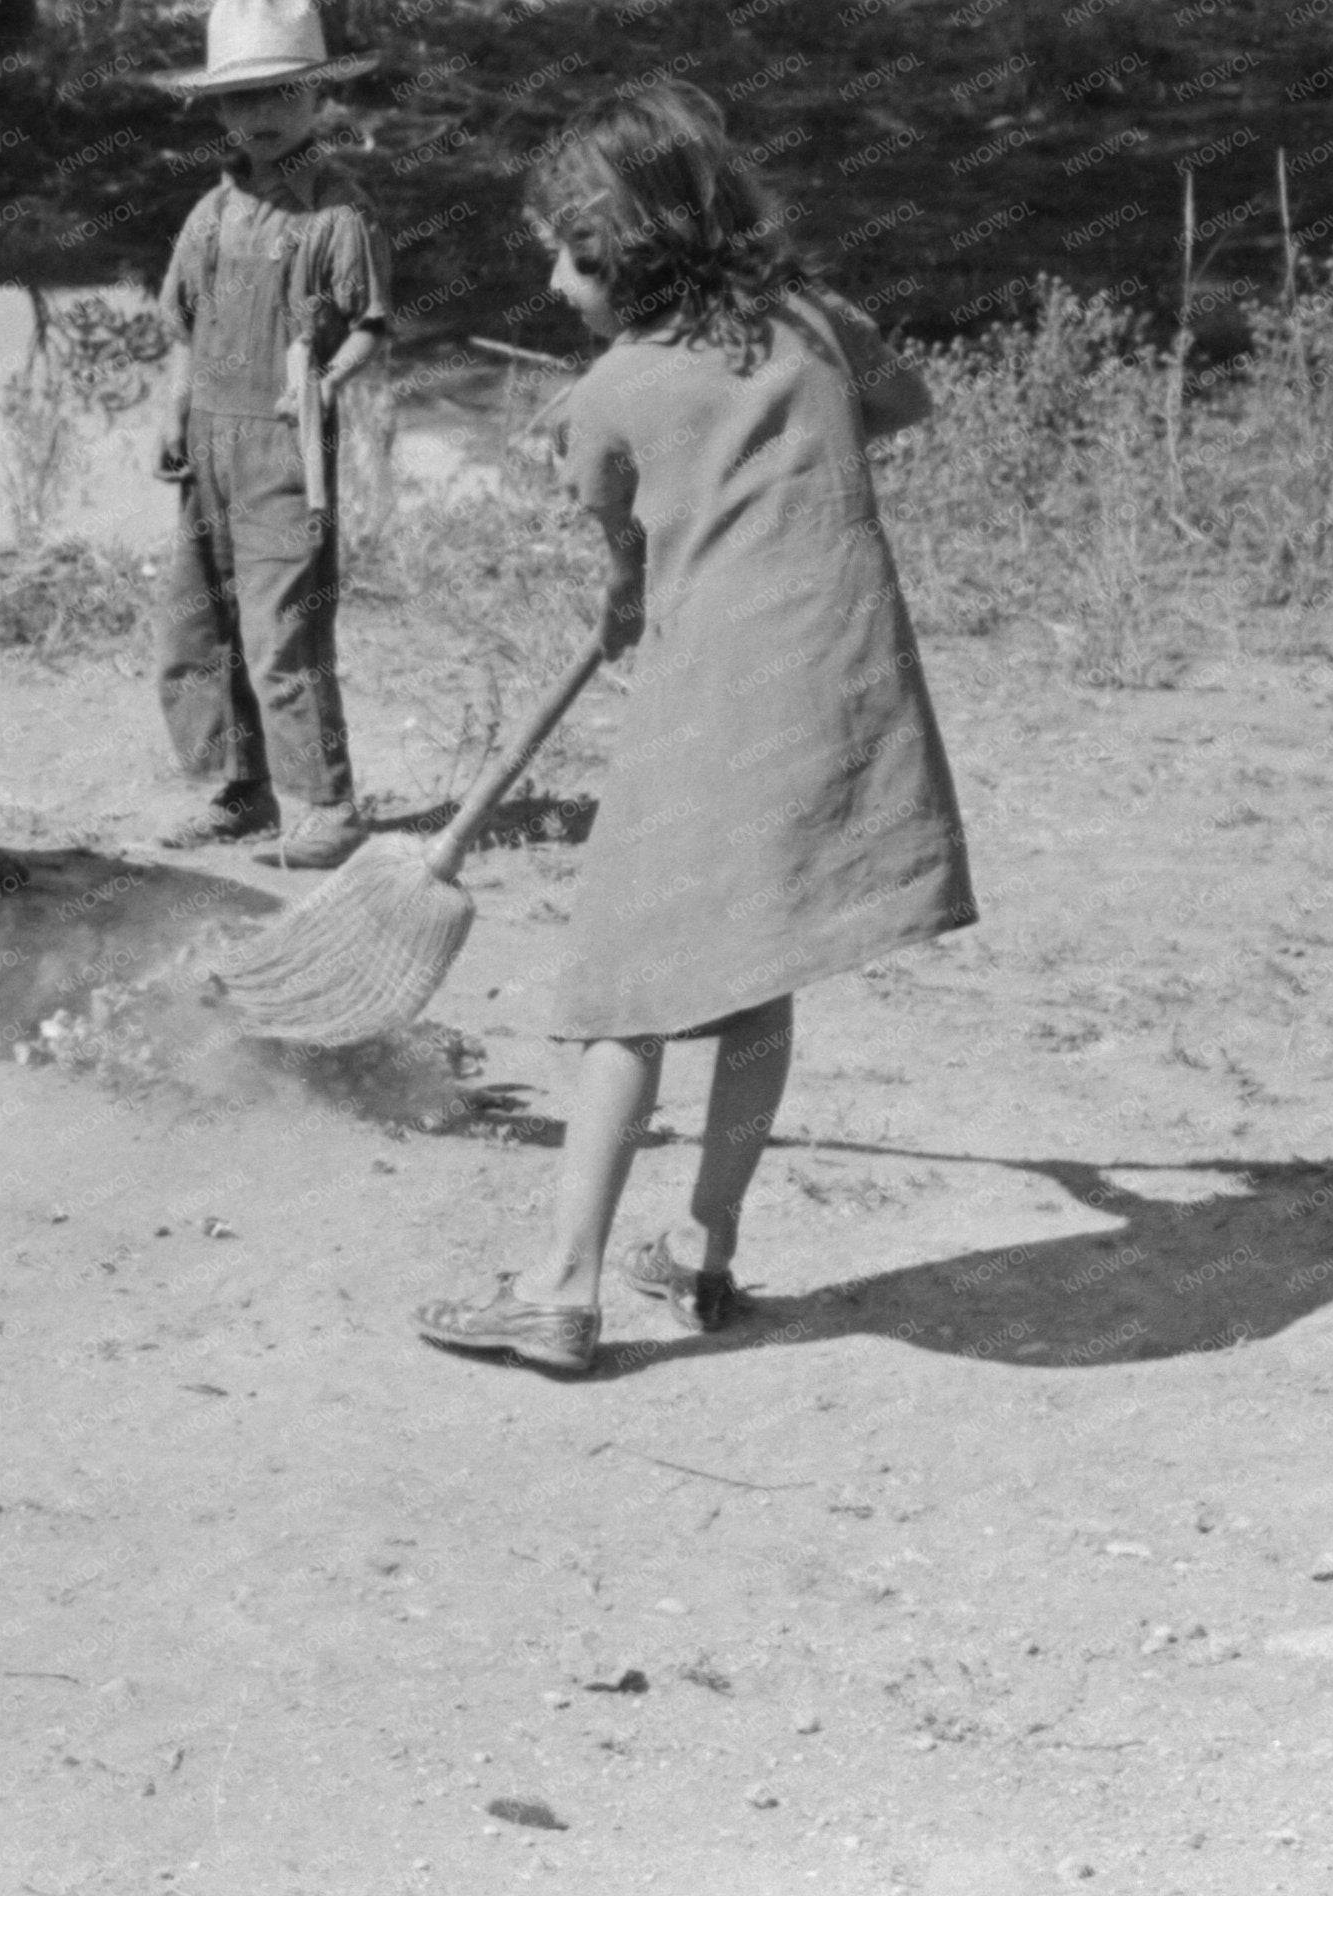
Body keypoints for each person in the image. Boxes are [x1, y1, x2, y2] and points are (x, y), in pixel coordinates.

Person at [415, 79, 977, 1376]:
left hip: (712, 703)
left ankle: (560, 1289)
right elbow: (903, 403)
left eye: (567, 259)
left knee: (626, 991)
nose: (553, 286)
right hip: (837, 692)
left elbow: (624, 551)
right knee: (754, 977)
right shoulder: (812, 325)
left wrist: (630, 600)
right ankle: (699, 1251)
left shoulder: (607, 395)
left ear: (627, 261)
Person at [146, 0, 392, 870]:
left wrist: (324, 381)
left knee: (282, 628)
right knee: (197, 625)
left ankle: (325, 806)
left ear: (319, 96)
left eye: (279, 95)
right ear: (218, 111)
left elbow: (369, 327)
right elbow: (184, 324)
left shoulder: (337, 214)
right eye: (240, 99)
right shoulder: (209, 213)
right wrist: (175, 410)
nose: (260, 117)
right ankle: (235, 790)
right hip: (209, 441)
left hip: (286, 448)